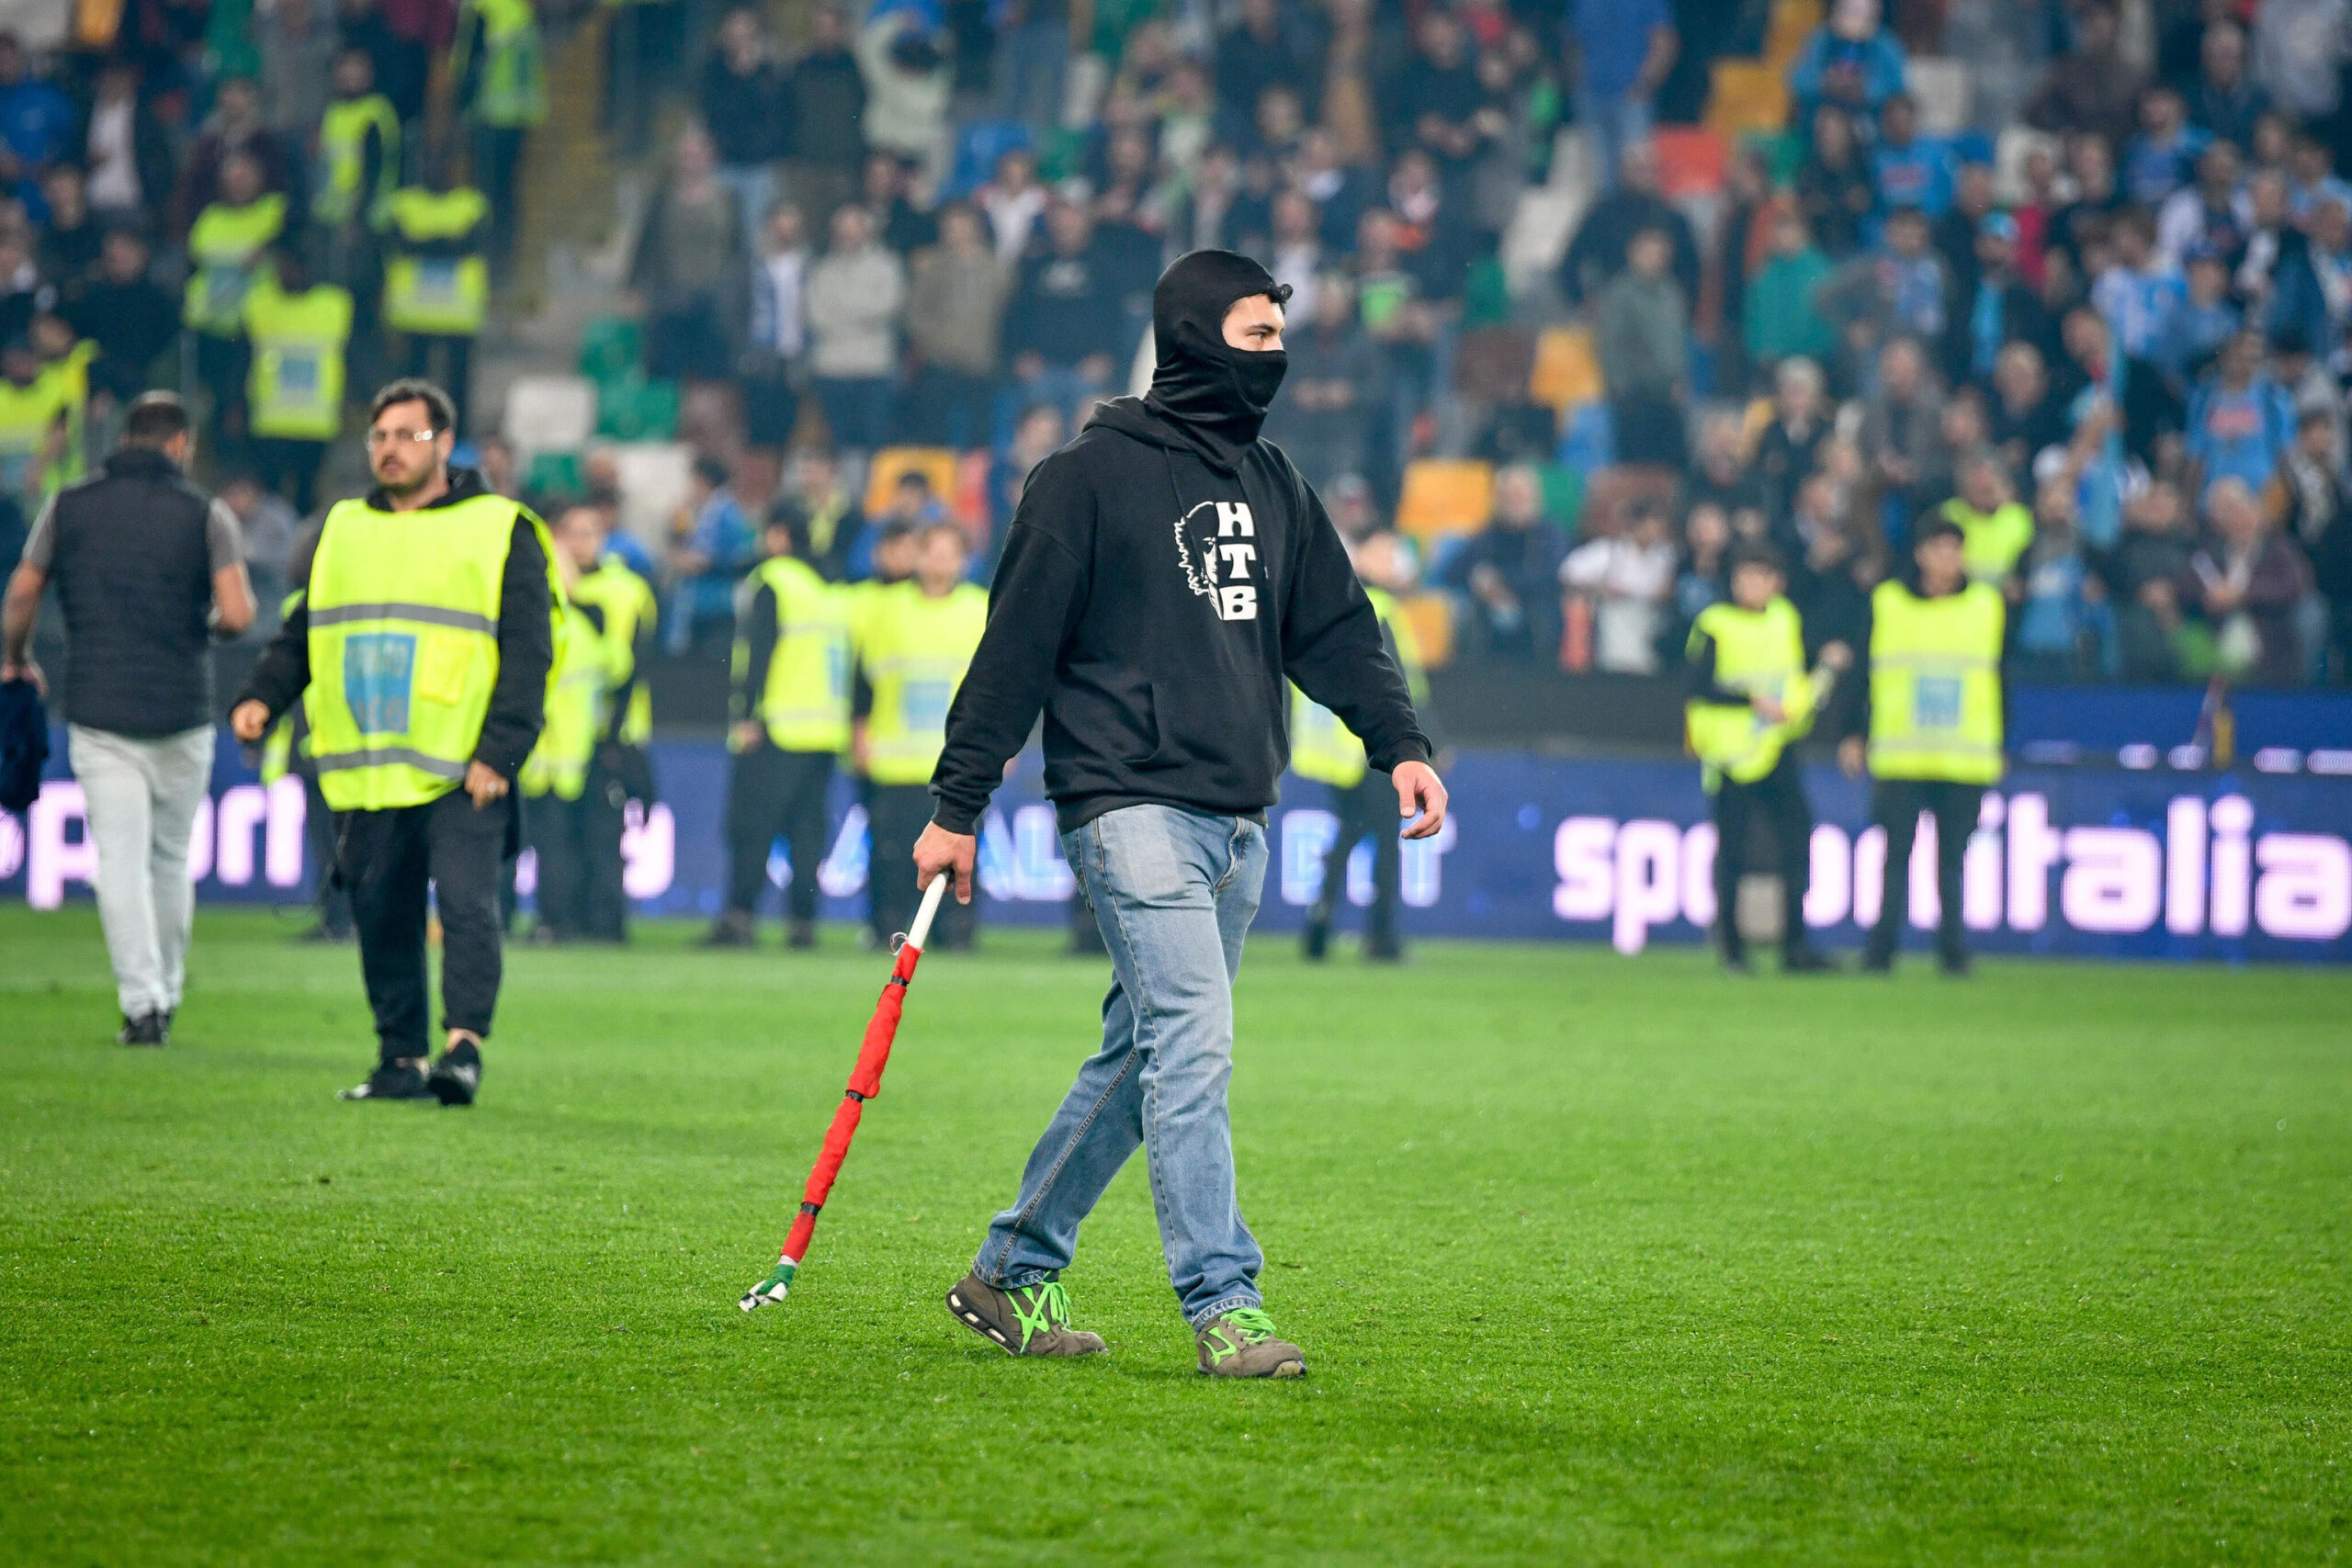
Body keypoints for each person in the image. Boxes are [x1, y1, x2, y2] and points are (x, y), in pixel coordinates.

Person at [917, 250, 1444, 1376]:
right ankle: (1225, 1304)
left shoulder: (1275, 482)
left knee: (1140, 1053)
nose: (1277, 359)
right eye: (1257, 338)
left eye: (1277, 339)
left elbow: (1338, 630)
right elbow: (1013, 649)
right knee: (1194, 1046)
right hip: (1127, 804)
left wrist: (1396, 742)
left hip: (1239, 817)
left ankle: (1009, 1271)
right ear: (1196, 338)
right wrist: (957, 804)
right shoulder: (1085, 478)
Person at [229, 378, 556, 1102]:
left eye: (406, 435)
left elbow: (530, 650)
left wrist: (500, 751)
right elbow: (305, 631)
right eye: (379, 436)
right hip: (370, 765)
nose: (388, 449)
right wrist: (262, 696)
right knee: (381, 913)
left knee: (467, 906)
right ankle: (400, 1057)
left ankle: (462, 1048)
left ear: (443, 442)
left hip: (462, 762)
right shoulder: (341, 526)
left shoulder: (501, 526)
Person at [0, 393, 255, 1044]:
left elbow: (24, 589)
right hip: (182, 710)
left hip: (100, 709)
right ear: (180, 445)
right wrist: (197, 626)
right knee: (170, 859)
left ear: (125, 439)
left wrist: (17, 657)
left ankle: (141, 1004)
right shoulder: (207, 514)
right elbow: (239, 614)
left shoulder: (69, 505)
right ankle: (164, 989)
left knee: (118, 861)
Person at [1838, 515, 2002, 976]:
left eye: (1955, 549)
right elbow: (1862, 672)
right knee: (1895, 860)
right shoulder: (1887, 602)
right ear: (1920, 554)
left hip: (1962, 757)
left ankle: (1953, 953)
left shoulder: (1987, 605)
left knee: (1952, 864)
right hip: (1902, 755)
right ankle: (1881, 951)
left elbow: (2000, 677)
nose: (1948, 559)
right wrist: (1853, 732)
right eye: (1939, 548)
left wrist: (2003, 739)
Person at [1685, 541, 1847, 975]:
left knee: (1797, 841)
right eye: (1744, 577)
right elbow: (1699, 685)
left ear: (1777, 583)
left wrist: (1822, 673)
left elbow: (1793, 677)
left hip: (1776, 747)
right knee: (1733, 850)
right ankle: (1732, 949)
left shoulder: (1785, 620)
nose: (1752, 586)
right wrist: (1752, 702)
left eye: (1760, 577)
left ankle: (1795, 945)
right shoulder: (1715, 623)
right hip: (1731, 754)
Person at [707, 510, 851, 950]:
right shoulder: (830, 587)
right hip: (825, 731)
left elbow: (757, 650)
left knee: (752, 828)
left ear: (779, 534)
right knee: (807, 834)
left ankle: (739, 918)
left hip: (778, 726)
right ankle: (802, 925)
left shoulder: (773, 579)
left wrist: (746, 714)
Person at [1295, 531, 1430, 963]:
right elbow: (1398, 684)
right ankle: (1381, 936)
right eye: (1388, 554)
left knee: (1348, 835)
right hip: (1372, 750)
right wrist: (1426, 742)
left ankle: (1319, 922)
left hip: (1336, 754)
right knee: (1386, 842)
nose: (1397, 563)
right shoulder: (1380, 609)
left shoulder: (1330, 604)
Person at [856, 519, 985, 951]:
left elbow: (1000, 687)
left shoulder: (980, 608)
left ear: (964, 560)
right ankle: (884, 929)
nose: (941, 562)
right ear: (918, 554)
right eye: (933, 551)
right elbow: (864, 679)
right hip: (895, 758)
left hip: (956, 762)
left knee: (960, 854)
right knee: (890, 855)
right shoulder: (887, 608)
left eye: (951, 553)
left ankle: (957, 934)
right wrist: (860, 734)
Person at [563, 504, 658, 942]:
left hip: (613, 733)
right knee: (569, 832)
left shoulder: (626, 591)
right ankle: (574, 919)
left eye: (589, 532)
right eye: (572, 533)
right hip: (565, 737)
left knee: (604, 833)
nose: (580, 542)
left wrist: (616, 731)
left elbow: (634, 664)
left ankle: (606, 924)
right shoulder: (561, 588)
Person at [519, 507, 608, 941]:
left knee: (550, 847)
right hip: (579, 750)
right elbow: (617, 666)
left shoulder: (548, 626)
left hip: (547, 755)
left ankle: (554, 921)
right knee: (572, 844)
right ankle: (570, 920)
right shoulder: (588, 626)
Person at [378, 161, 491, 429]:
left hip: (453, 313)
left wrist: (422, 243)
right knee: (414, 381)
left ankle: (454, 434)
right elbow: (392, 241)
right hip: (417, 314)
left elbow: (474, 243)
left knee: (456, 382)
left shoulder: (472, 204)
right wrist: (448, 242)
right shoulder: (403, 204)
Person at [242, 246, 354, 515]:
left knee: (306, 494)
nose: (286, 274)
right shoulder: (259, 304)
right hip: (271, 422)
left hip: (315, 424)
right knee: (270, 500)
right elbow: (242, 358)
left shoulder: (334, 306)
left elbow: (351, 358)